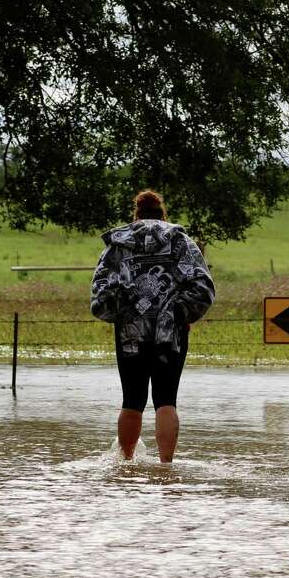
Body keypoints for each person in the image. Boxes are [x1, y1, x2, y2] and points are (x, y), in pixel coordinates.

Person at [90, 190, 216, 463]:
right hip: (171, 335)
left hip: (129, 335)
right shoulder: (182, 243)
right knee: (166, 400)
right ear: (163, 215)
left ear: (136, 215)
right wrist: (179, 313)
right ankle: (166, 465)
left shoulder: (117, 245)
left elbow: (100, 296)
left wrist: (126, 312)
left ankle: (125, 464)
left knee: (131, 401)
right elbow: (203, 289)